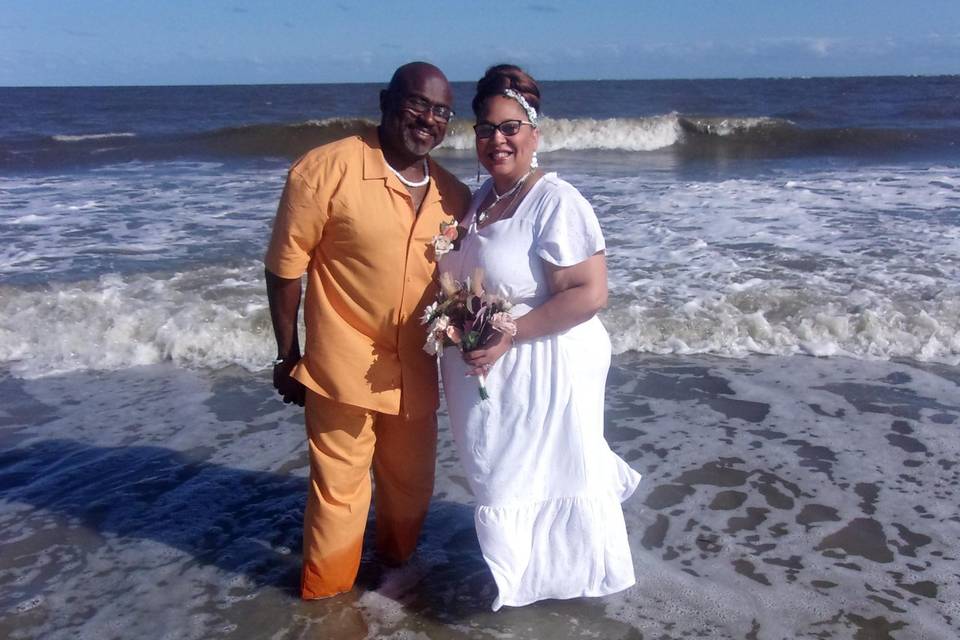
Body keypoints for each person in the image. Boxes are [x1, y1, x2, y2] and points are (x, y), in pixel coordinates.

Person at [264, 61, 471, 600]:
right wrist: (289, 357)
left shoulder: (454, 196)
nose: (428, 119)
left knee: (411, 492)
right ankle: (326, 605)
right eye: (417, 104)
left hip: (417, 374)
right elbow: (285, 270)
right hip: (341, 368)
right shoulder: (323, 170)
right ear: (386, 100)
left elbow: (461, 285)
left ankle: (393, 584)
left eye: (441, 112)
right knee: (339, 497)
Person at [438, 64, 641, 611]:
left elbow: (588, 293)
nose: (495, 140)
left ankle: (555, 594)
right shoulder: (481, 201)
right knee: (503, 479)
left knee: (542, 476)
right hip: (494, 372)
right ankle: (530, 584)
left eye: (509, 128)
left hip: (544, 365)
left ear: (534, 134)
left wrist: (508, 333)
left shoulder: (556, 201)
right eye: (484, 129)